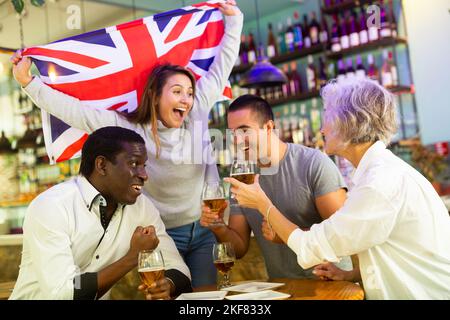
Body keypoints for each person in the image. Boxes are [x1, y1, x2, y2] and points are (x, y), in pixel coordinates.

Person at [10, 1, 243, 288]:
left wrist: (234, 19)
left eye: (190, 92)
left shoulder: (196, 111)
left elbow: (223, 66)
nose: (187, 98)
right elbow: (76, 111)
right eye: (177, 91)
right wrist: (29, 83)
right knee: (169, 293)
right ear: (156, 96)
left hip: (205, 229)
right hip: (163, 234)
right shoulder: (129, 131)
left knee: (205, 299)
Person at [228, 79, 450, 299]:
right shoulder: (379, 173)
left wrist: (262, 203)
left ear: (350, 122)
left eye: (327, 117)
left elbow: (313, 245)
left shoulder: (379, 183)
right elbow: (396, 254)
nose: (323, 128)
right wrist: (350, 274)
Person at [10, 127, 191, 300]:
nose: (144, 175)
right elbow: (65, 292)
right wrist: (132, 257)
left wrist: (167, 284)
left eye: (144, 165)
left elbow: (180, 271)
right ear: (102, 165)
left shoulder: (141, 207)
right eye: (134, 164)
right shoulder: (52, 207)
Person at [200, 94, 350, 279]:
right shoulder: (242, 177)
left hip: (330, 285)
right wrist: (219, 226)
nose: (237, 141)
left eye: (244, 130)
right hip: (281, 287)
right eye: (233, 133)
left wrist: (285, 234)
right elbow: (238, 249)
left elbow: (343, 235)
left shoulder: (313, 164)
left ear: (269, 128)